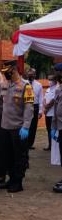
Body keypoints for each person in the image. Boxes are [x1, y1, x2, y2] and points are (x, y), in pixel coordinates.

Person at [0, 60, 34, 192]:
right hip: (5, 126)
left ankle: (18, 182)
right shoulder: (4, 84)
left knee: (19, 156)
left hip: (18, 128)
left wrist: (26, 126)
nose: (5, 74)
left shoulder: (26, 86)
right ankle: (11, 179)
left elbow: (29, 108)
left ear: (13, 69)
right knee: (7, 155)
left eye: (6, 72)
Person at [51, 63, 62, 192]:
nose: (56, 75)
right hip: (60, 126)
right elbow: (56, 109)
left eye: (58, 72)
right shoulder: (59, 89)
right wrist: (54, 126)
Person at [26, 68, 43, 150]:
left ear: (35, 75)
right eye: (29, 73)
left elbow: (41, 98)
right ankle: (25, 142)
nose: (30, 75)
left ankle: (30, 144)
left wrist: (40, 111)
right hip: (26, 106)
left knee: (33, 126)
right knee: (26, 125)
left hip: (35, 106)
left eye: (32, 74)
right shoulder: (24, 83)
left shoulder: (39, 85)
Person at [43, 75, 57, 151]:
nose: (49, 81)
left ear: (55, 80)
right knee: (48, 129)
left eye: (51, 80)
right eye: (49, 79)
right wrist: (45, 107)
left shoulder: (57, 89)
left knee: (53, 130)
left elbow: (53, 101)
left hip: (53, 113)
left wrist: (46, 108)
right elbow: (44, 98)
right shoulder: (48, 89)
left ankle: (54, 146)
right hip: (47, 113)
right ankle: (50, 145)